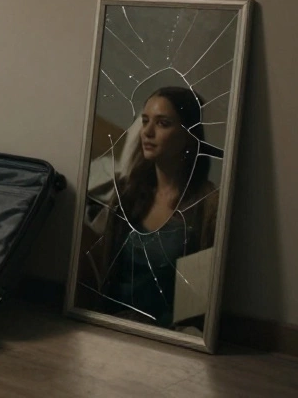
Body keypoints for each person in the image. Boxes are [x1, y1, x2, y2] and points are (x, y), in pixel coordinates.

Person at [85, 87, 220, 328]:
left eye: (162, 123)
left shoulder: (206, 205)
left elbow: (197, 304)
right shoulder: (127, 194)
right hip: (111, 327)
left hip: (168, 335)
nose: (147, 132)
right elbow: (105, 275)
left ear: (188, 135)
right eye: (145, 121)